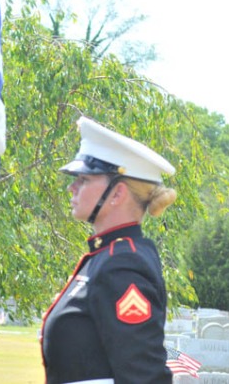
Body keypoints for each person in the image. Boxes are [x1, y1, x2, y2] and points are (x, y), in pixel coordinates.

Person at [40, 117, 178, 384]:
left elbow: (144, 376)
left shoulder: (122, 265)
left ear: (117, 194)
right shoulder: (108, 256)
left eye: (83, 179)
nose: (71, 187)